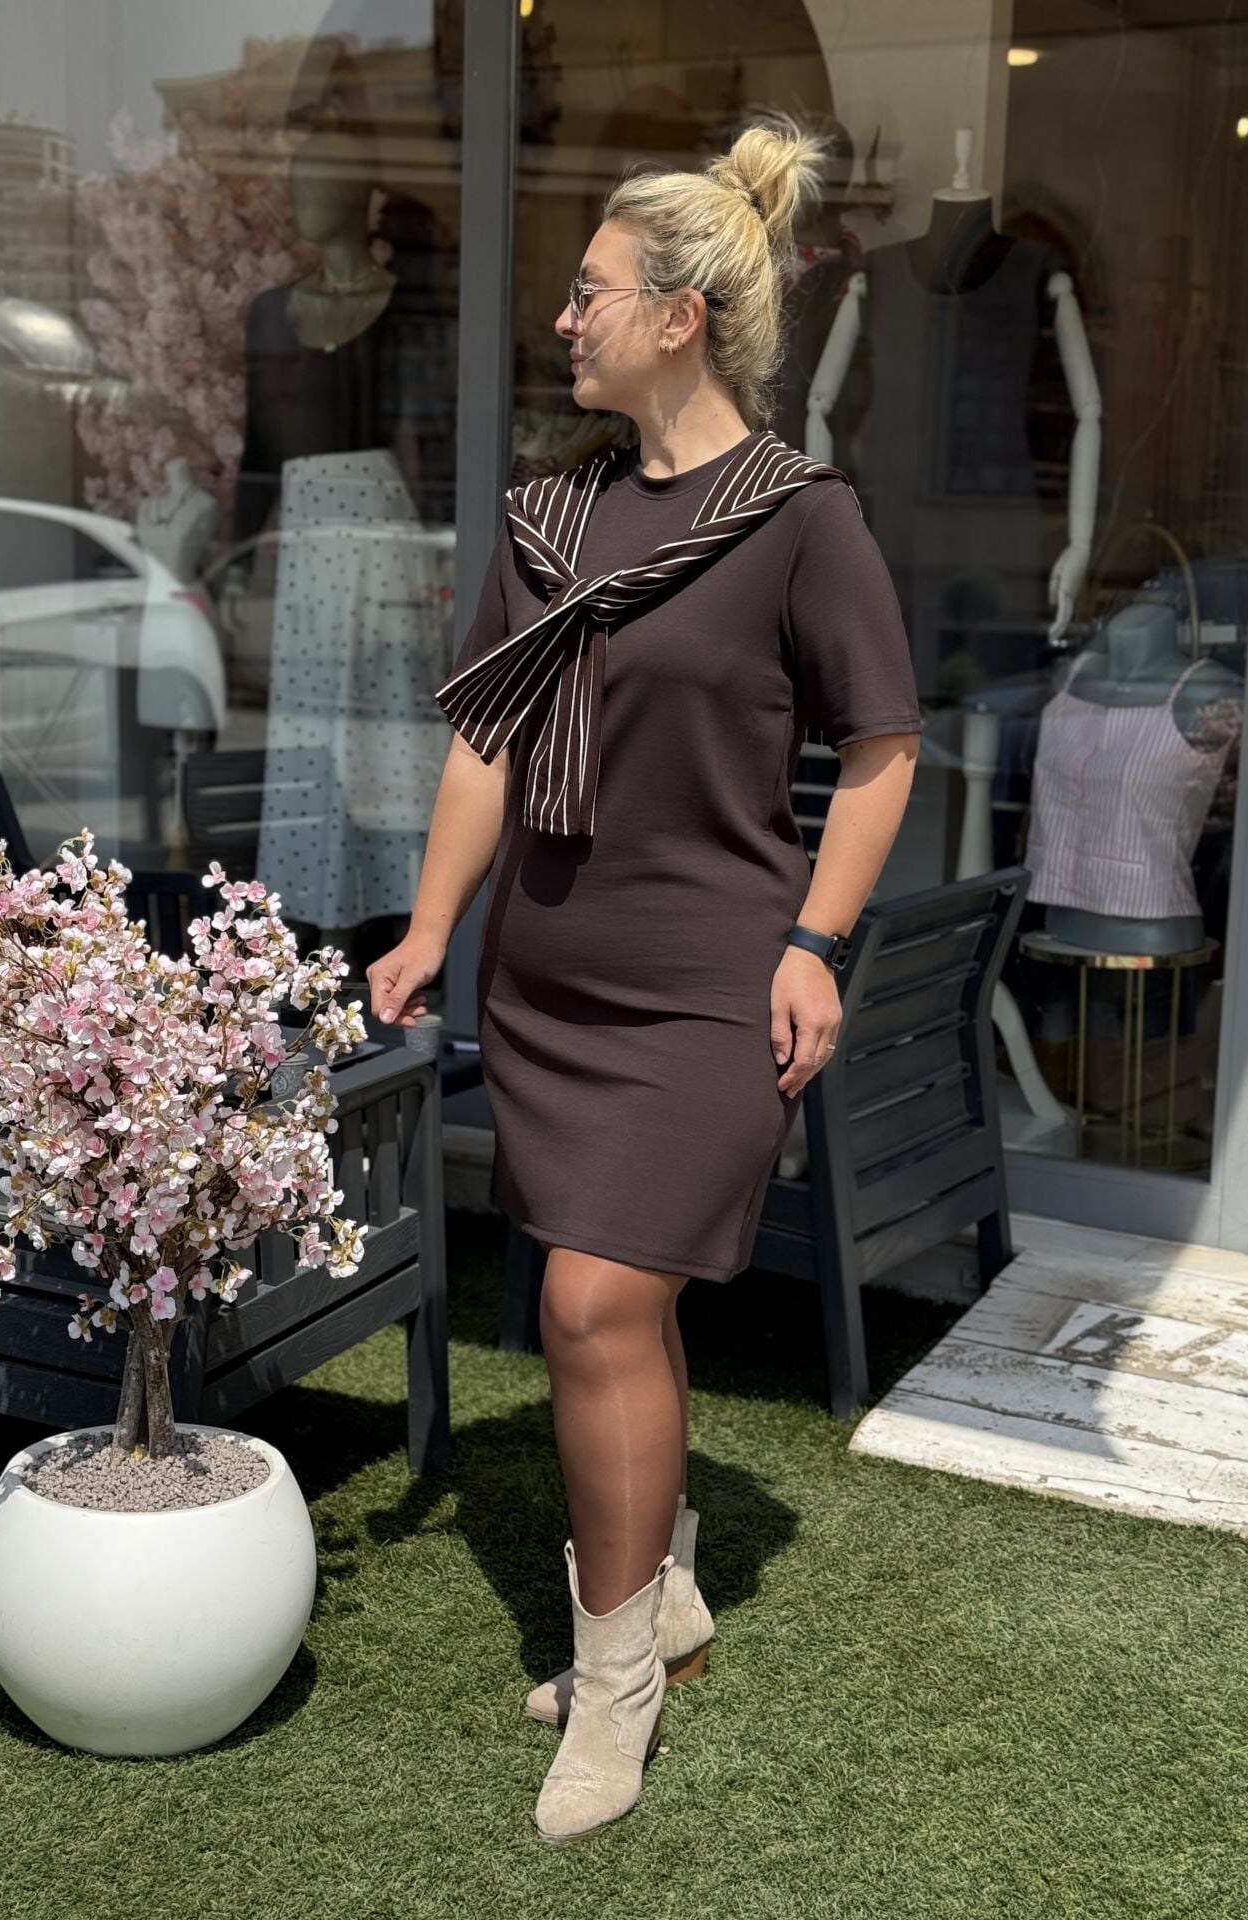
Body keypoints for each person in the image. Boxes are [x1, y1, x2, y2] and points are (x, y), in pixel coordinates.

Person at [365, 118, 922, 1846]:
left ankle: (613, 1685)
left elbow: (883, 749)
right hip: (549, 986)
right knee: (626, 1309)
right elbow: (485, 743)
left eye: (590, 293)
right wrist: (430, 928)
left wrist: (817, 943)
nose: (564, 320)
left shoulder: (801, 522)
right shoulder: (552, 522)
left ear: (681, 317)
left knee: (592, 1306)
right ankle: (657, 1599)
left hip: (706, 994)